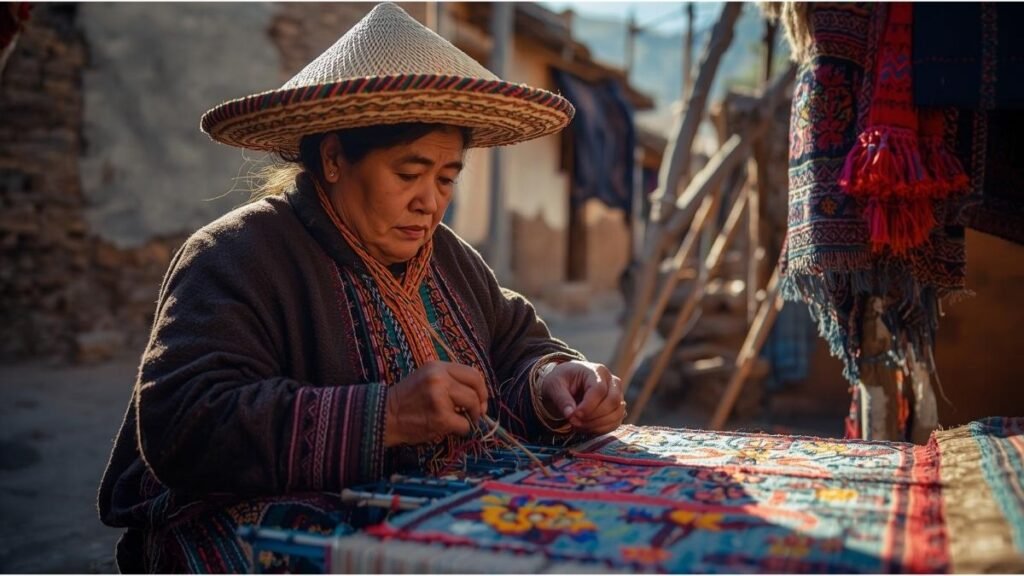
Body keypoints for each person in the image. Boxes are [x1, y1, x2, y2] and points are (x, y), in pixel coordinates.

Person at [97, 3, 626, 572]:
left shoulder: (450, 259)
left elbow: (517, 346)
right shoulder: (235, 255)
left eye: (446, 179)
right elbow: (184, 421)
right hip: (237, 519)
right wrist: (385, 416)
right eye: (408, 174)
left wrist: (554, 383)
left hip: (414, 506)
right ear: (333, 159)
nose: (430, 202)